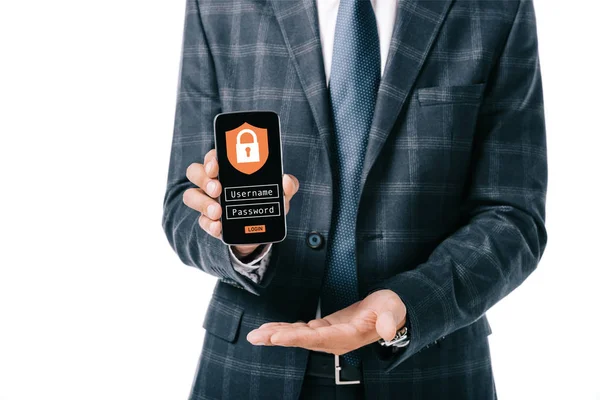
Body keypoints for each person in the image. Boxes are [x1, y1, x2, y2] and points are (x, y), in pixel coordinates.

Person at [162, 0, 547, 398]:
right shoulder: (219, 6)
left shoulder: (496, 8)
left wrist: (410, 303)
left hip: (431, 370)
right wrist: (243, 243)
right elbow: (182, 204)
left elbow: (513, 216)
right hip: (252, 368)